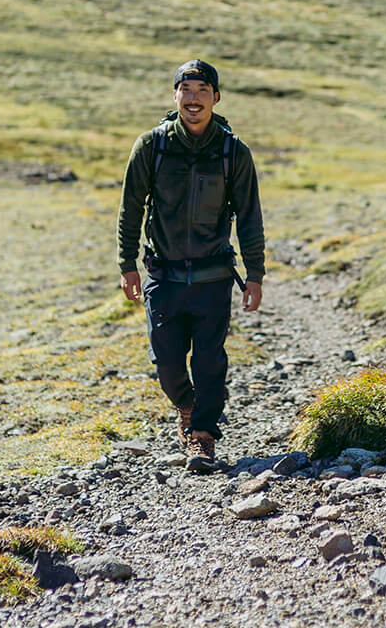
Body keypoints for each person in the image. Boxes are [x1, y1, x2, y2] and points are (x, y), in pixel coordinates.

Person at [117, 59, 265, 472]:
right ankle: (187, 404)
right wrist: (126, 263)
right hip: (163, 276)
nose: (194, 98)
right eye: (186, 89)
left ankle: (201, 436)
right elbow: (130, 208)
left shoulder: (233, 152)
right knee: (166, 362)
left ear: (216, 98)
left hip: (213, 277)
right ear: (175, 96)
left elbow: (250, 215)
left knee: (209, 360)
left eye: (203, 90)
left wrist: (255, 274)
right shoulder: (152, 146)